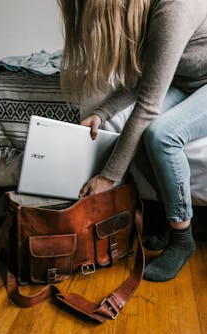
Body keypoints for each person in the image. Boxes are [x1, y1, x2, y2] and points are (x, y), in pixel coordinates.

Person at [57, 0, 207, 282]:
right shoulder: (149, 10)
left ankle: (182, 239)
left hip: (202, 83)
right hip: (189, 81)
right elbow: (144, 83)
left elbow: (148, 106)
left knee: (161, 135)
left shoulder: (173, 9)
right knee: (133, 134)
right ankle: (172, 213)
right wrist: (101, 114)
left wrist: (108, 177)